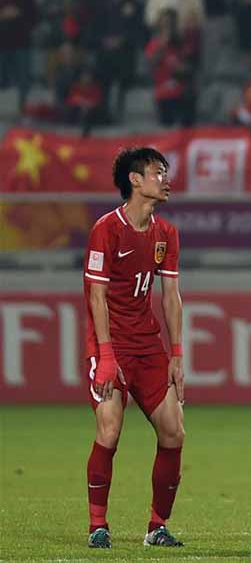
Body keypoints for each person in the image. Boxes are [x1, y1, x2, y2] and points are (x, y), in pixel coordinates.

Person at [83, 148, 185, 549]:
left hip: (147, 346)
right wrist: (106, 355)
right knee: (109, 429)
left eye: (165, 172)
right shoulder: (106, 229)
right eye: (158, 172)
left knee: (174, 431)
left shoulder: (166, 234)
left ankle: (157, 527)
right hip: (110, 344)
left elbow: (171, 296)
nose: (165, 179)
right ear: (135, 180)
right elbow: (96, 296)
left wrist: (176, 355)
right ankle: (98, 526)